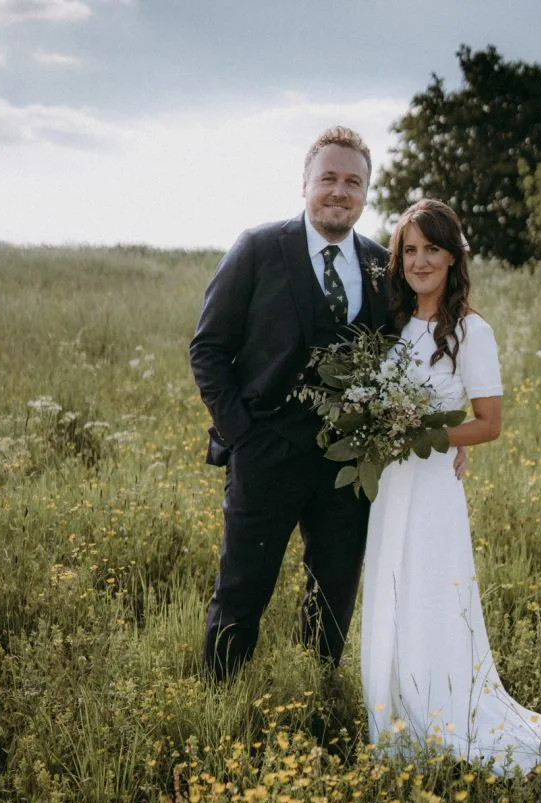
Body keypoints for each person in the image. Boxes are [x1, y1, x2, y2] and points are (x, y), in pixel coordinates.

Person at [361, 199, 541, 774]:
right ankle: (394, 715)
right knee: (391, 595)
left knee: (430, 598)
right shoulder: (393, 325)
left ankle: (442, 713)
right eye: (410, 250)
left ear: (452, 256)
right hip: (390, 486)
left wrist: (429, 435)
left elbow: (488, 423)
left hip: (432, 487)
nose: (420, 261)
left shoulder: (472, 330)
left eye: (432, 249)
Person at [190, 127, 389, 679]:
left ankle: (317, 693)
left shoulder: (381, 264)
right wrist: (243, 435)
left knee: (334, 593)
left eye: (353, 182)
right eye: (329, 178)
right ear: (305, 183)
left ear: (366, 192)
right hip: (265, 452)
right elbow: (208, 348)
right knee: (242, 588)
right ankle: (220, 697)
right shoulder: (258, 248)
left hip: (347, 464)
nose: (340, 191)